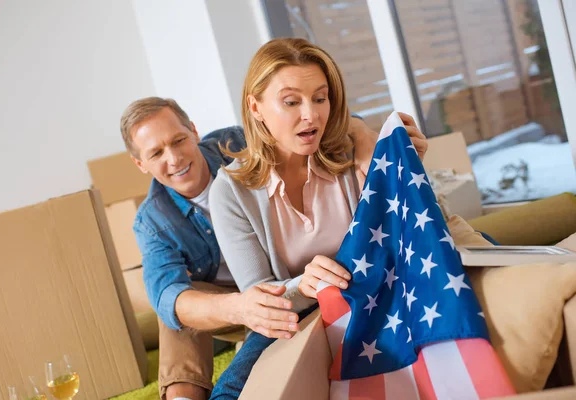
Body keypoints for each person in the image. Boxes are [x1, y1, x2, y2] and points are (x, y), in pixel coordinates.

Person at [120, 96, 407, 400]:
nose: (174, 158)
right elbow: (168, 296)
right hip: (231, 305)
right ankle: (183, 396)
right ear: (140, 163)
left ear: (193, 130)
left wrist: (364, 139)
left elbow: (325, 123)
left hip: (285, 282)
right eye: (156, 153)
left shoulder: (237, 144)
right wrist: (244, 308)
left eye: (178, 140)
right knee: (175, 304)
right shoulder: (152, 220)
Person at [207, 38, 427, 399]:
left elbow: (403, 237)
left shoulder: (355, 152)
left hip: (375, 295)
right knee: (230, 390)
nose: (311, 114)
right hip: (294, 316)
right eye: (291, 102)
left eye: (320, 98)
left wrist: (410, 172)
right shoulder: (231, 191)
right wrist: (303, 285)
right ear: (256, 107)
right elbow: (261, 297)